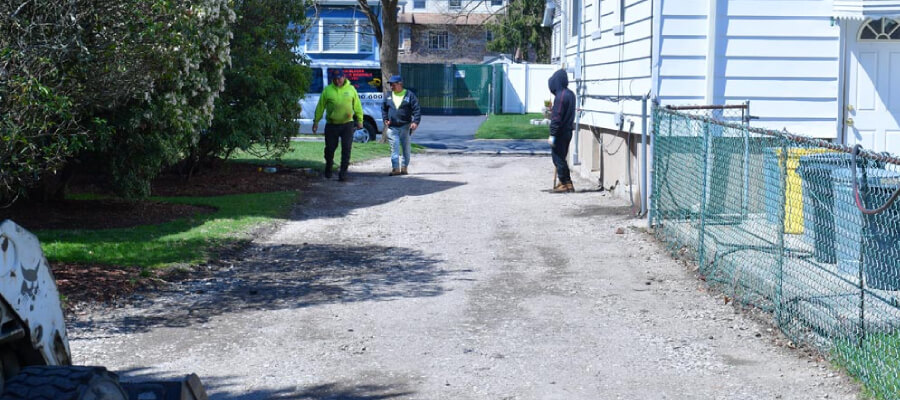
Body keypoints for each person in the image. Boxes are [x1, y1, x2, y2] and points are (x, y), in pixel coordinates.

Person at [313, 69, 363, 181]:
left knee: (346, 149)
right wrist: (316, 121)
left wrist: (360, 120)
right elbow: (320, 107)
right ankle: (329, 166)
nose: (337, 80)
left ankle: (343, 173)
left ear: (344, 77)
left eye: (339, 78)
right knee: (330, 149)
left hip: (347, 124)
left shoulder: (351, 89)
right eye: (335, 79)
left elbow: (357, 106)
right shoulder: (327, 90)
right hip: (332, 125)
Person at [382, 75, 421, 176]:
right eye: (390, 84)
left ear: (400, 84)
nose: (391, 87)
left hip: (406, 126)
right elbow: (384, 108)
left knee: (406, 148)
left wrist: (415, 122)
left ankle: (404, 168)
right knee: (394, 148)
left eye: (393, 84)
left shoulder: (409, 95)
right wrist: (385, 119)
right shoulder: (388, 95)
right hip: (392, 127)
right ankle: (395, 168)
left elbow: (416, 109)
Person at [547, 69, 576, 193]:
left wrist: (552, 135)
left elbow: (557, 117)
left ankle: (564, 182)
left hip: (559, 132)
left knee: (557, 157)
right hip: (568, 130)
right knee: (562, 158)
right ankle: (567, 182)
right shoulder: (570, 94)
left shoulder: (560, 97)